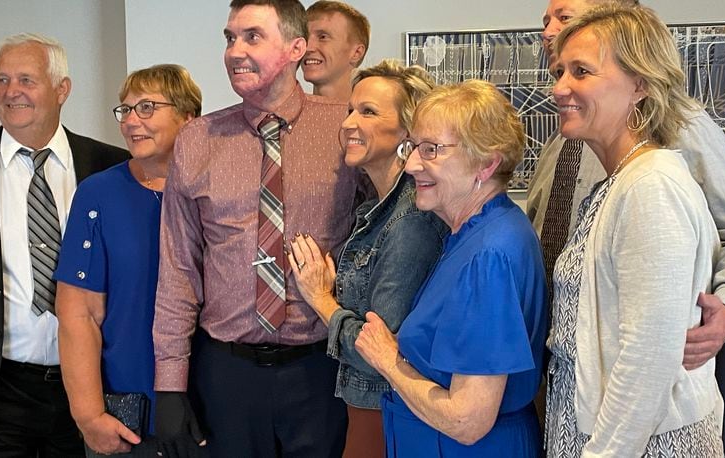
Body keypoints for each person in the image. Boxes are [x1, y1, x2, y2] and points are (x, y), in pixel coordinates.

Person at [529, 1, 725, 454]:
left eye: (581, 70)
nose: (559, 87)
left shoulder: (656, 171)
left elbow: (646, 360)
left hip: (633, 425)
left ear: (639, 84)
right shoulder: (568, 137)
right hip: (574, 382)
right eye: (560, 73)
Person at [151, 1, 361, 456]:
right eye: (229, 38)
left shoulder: (346, 128)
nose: (234, 51)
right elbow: (178, 269)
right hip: (227, 377)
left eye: (252, 36)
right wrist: (170, 385)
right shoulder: (198, 140)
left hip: (320, 371)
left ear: (296, 47)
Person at [0, 33, 127, 456]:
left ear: (62, 89)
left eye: (26, 79)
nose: (11, 92)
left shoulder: (110, 166)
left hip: (89, 388)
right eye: (2, 80)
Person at [356, 79, 548, 457]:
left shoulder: (488, 255)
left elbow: (467, 420)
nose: (411, 164)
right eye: (412, 147)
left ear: (486, 162)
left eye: (431, 150)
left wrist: (388, 361)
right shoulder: (472, 234)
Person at [287, 59, 447, 458]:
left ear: (408, 132)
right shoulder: (380, 207)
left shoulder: (411, 217)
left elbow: (380, 351)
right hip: (367, 405)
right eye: (350, 110)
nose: (347, 124)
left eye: (368, 112)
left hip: (386, 408)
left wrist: (321, 298)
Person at [55, 64, 202, 457]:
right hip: (126, 416)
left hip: (211, 409)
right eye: (125, 110)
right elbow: (78, 315)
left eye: (147, 107)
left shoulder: (216, 193)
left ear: (188, 117)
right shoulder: (97, 194)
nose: (131, 121)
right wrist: (88, 415)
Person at [302, 0, 370, 102]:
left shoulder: (371, 116)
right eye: (305, 37)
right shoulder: (280, 115)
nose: (307, 48)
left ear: (357, 53)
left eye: (323, 37)